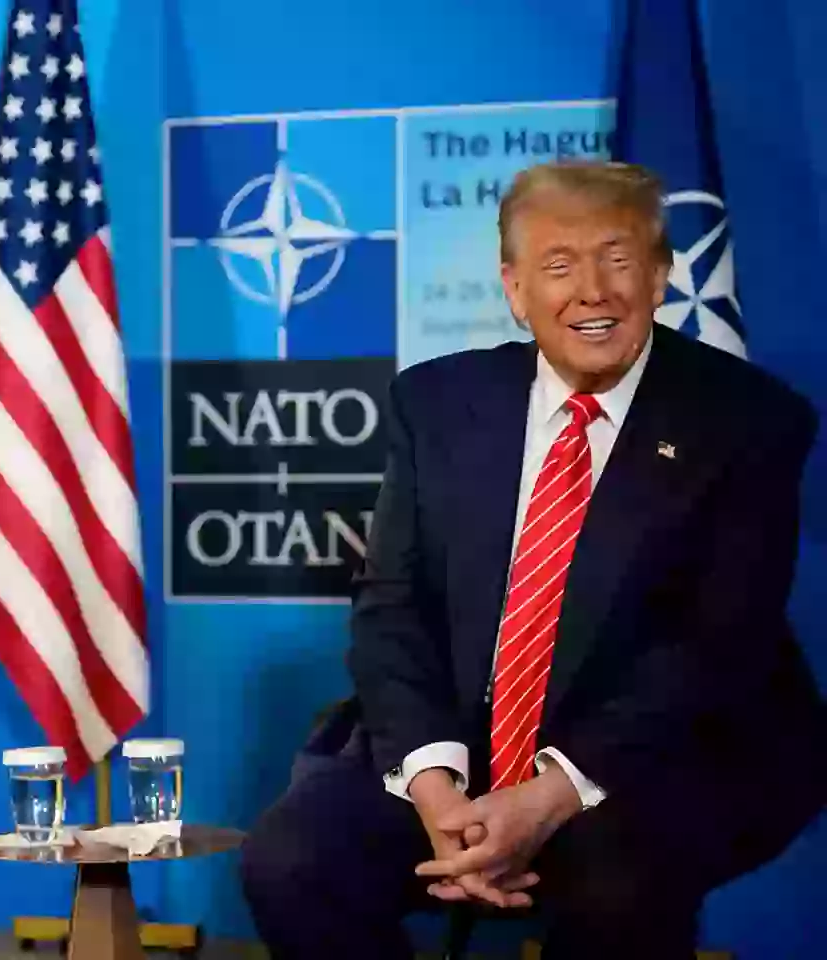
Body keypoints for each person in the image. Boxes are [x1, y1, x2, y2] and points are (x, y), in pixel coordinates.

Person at [239, 160, 826, 958]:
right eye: (558, 265)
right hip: (457, 746)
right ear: (515, 291)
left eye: (617, 259)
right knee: (291, 860)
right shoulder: (438, 404)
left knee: (617, 885)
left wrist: (552, 793)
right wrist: (436, 785)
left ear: (660, 277)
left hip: (656, 752)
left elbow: (716, 647)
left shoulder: (748, 421)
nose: (592, 290)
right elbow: (391, 608)